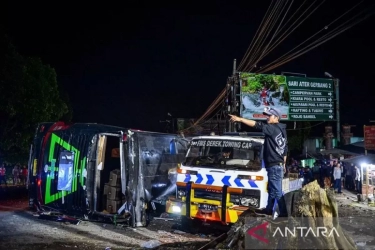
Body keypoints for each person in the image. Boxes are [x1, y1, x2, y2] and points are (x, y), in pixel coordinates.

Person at [229, 107, 288, 217]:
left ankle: (284, 214)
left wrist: (240, 119)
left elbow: (257, 125)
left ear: (276, 118)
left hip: (274, 165)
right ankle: (269, 209)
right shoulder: (282, 130)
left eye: (269, 116)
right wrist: (283, 164)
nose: (267, 118)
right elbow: (285, 149)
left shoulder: (273, 128)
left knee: (277, 191)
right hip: (277, 165)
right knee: (272, 189)